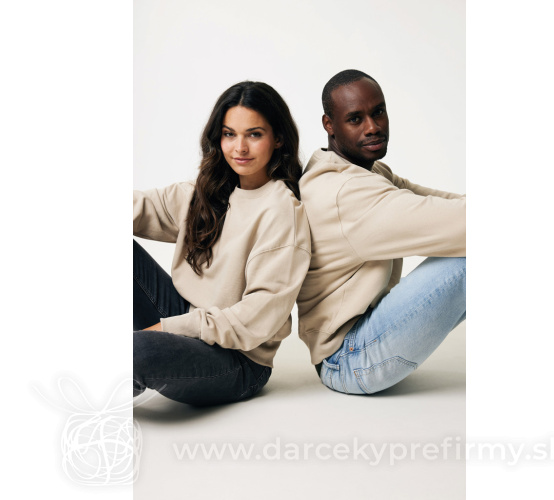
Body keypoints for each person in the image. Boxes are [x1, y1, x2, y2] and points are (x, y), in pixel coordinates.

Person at [133, 81, 311, 406]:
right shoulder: (209, 190)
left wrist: (163, 329)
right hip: (187, 318)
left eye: (254, 134)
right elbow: (141, 207)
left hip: (238, 360)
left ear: (278, 138)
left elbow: (254, 319)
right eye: (230, 134)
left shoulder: (281, 210)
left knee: (136, 351)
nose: (239, 147)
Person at [297, 69, 466, 395]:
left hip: (365, 342)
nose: (373, 126)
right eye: (355, 119)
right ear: (329, 125)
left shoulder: (366, 170)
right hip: (350, 360)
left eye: (378, 112)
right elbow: (459, 223)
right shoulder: (344, 192)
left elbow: (443, 204)